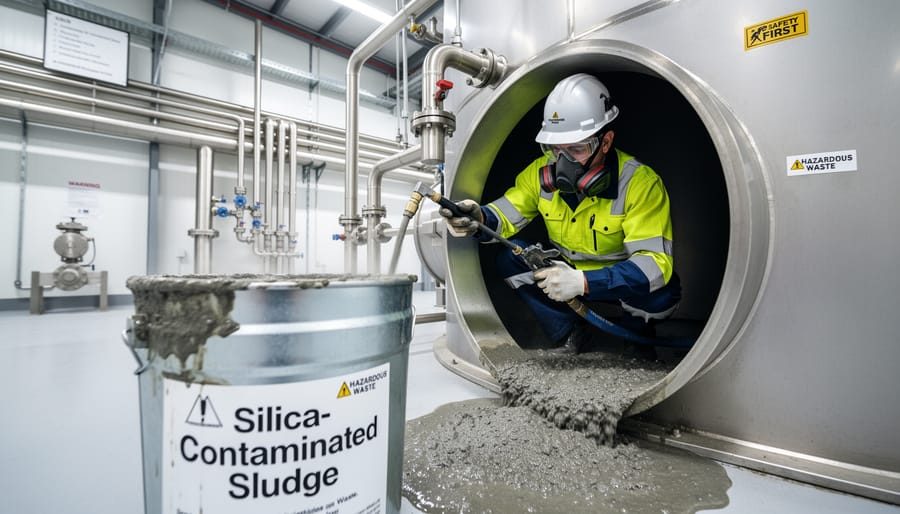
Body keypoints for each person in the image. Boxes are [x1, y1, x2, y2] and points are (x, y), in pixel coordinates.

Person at [440, 73, 681, 356]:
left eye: (577, 149)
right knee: (511, 257)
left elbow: (653, 265)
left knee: (661, 291)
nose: (563, 162)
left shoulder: (639, 183)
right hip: (563, 272)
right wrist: (477, 218)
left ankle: (636, 340)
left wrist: (583, 282)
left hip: (617, 280)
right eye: (555, 149)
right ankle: (570, 334)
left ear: (605, 142)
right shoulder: (538, 173)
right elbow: (503, 215)